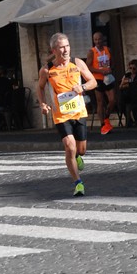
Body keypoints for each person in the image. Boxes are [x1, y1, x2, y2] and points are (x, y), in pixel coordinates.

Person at [37, 32, 97, 197]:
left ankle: (79, 156)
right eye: (62, 47)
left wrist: (83, 87)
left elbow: (93, 81)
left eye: (67, 46)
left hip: (79, 112)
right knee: (69, 146)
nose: (65, 50)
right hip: (61, 115)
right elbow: (40, 87)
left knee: (81, 149)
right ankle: (78, 183)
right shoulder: (47, 70)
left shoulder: (77, 63)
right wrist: (43, 103)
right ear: (54, 50)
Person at [86, 32, 116, 135]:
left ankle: (106, 116)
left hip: (107, 78)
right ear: (93, 40)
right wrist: (100, 71)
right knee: (100, 102)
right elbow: (88, 67)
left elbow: (113, 63)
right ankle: (103, 123)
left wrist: (110, 69)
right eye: (95, 40)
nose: (98, 41)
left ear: (103, 39)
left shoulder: (108, 49)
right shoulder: (92, 52)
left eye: (99, 39)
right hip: (98, 79)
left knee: (112, 100)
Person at [118, 59, 137, 126]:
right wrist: (124, 83)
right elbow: (120, 86)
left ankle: (135, 120)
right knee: (122, 97)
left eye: (134, 68)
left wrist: (129, 84)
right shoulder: (127, 75)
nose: (132, 70)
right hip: (128, 96)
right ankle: (129, 119)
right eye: (130, 68)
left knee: (128, 96)